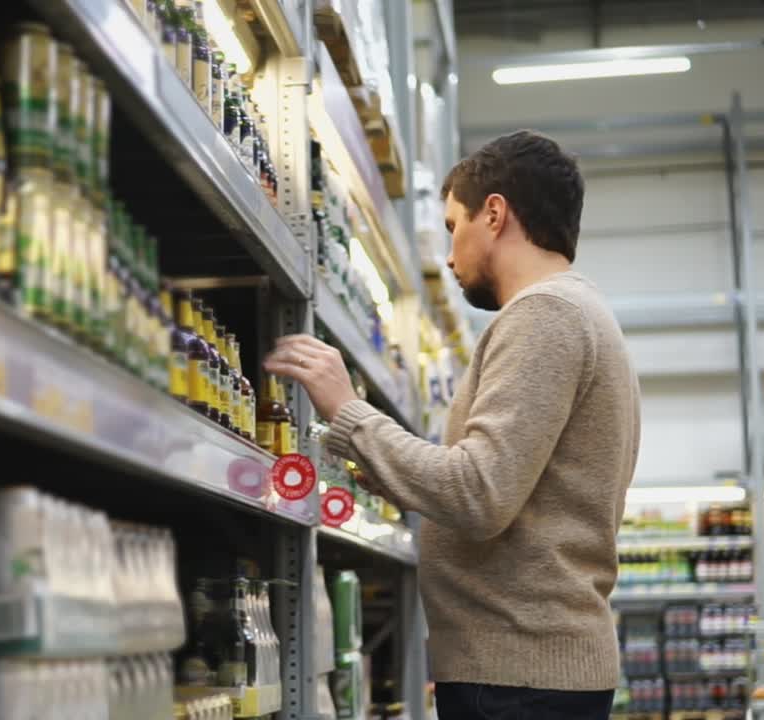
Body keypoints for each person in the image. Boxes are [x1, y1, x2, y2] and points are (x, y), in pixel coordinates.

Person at [266, 130, 640, 719]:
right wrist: (380, 468)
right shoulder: (575, 313)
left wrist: (347, 409)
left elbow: (479, 493)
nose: (447, 255)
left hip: (520, 678)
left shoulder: (546, 316)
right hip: (525, 671)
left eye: (451, 227)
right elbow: (509, 493)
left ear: (494, 213)